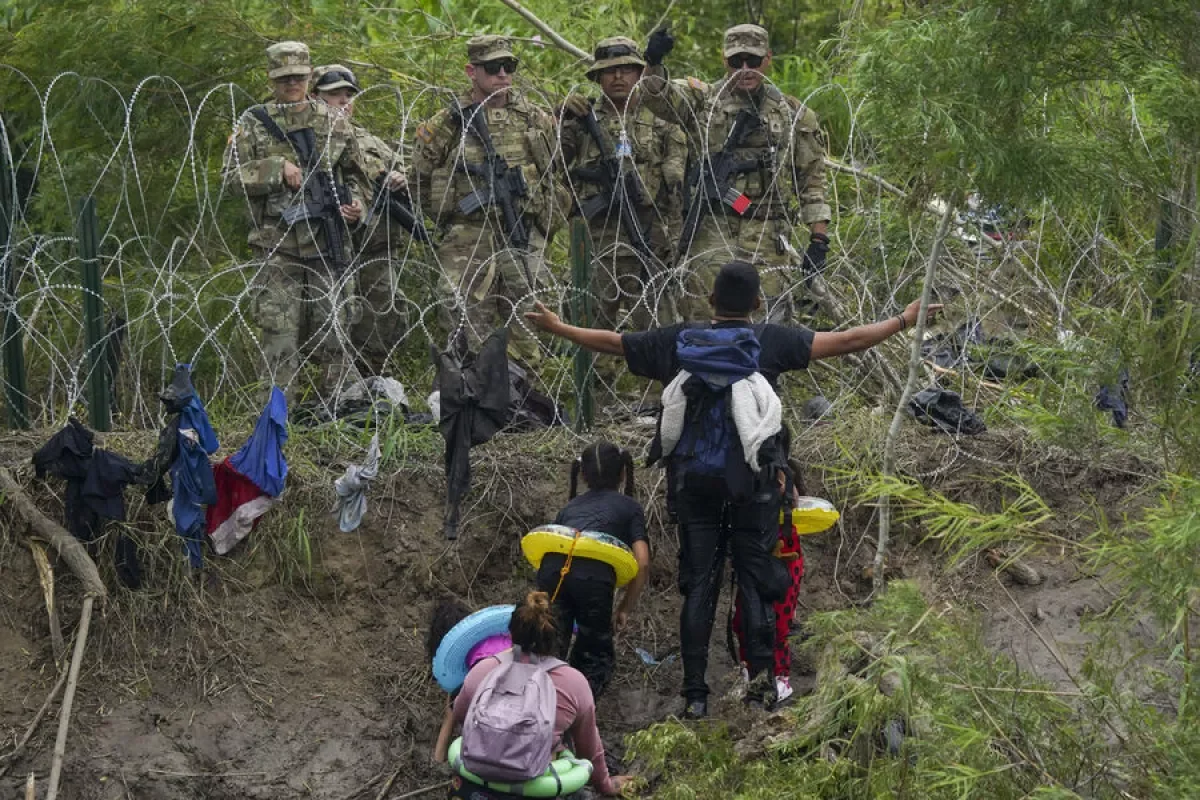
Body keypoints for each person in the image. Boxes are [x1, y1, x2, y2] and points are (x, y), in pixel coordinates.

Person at [525, 260, 941, 718]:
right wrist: (904, 319)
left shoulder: (680, 341)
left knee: (699, 585)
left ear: (710, 302)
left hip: (693, 486)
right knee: (754, 582)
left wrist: (558, 327)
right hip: (755, 487)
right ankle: (761, 687)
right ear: (758, 304)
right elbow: (848, 341)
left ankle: (695, 696)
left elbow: (613, 344)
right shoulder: (771, 341)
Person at [639, 24, 831, 323]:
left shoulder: (793, 114)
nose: (745, 69)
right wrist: (653, 62)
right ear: (723, 60)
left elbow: (812, 182)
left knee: (766, 325)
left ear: (767, 59)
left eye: (752, 61)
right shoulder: (703, 102)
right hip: (713, 228)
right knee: (703, 316)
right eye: (736, 61)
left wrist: (819, 242)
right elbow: (655, 95)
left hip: (767, 232)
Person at [222, 41, 370, 400]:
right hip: (278, 247)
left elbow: (358, 176)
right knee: (280, 338)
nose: (292, 84)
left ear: (308, 75)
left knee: (335, 331)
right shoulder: (253, 124)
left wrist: (357, 206)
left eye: (299, 77)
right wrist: (276, 170)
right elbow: (229, 177)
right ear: (272, 79)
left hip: (327, 242)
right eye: (284, 78)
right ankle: (276, 419)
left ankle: (339, 412)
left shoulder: (333, 122)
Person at [411, 35, 560, 366]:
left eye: (509, 66)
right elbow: (418, 178)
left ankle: (522, 403)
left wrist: (542, 226)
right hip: (468, 237)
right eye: (493, 68)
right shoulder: (449, 122)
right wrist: (448, 218)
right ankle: (469, 402)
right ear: (471, 71)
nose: (503, 75)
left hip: (520, 231)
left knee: (527, 324)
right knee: (464, 325)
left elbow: (554, 174)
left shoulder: (533, 118)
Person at [448, 590, 630, 798]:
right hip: (536, 789)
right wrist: (606, 785)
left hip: (474, 788)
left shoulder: (482, 671)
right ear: (558, 637)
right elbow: (589, 751)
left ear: (510, 633)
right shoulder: (574, 683)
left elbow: (462, 718)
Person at [560, 37, 688, 332]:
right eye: (609, 71)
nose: (618, 77)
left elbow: (677, 187)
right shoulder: (581, 120)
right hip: (598, 241)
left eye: (626, 69)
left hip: (649, 240)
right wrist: (558, 117)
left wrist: (675, 244)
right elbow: (550, 162)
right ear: (598, 76)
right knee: (591, 334)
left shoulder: (663, 121)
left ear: (640, 73)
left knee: (659, 334)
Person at [310, 63, 418, 376]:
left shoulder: (370, 142)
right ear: (315, 97)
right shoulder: (308, 145)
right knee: (333, 324)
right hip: (327, 254)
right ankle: (334, 391)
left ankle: (374, 387)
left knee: (382, 321)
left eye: (348, 95)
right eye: (334, 95)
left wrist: (402, 178)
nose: (344, 102)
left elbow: (413, 177)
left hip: (376, 251)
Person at [537, 441, 651, 698]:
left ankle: (540, 711)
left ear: (583, 475)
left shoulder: (569, 508)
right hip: (594, 578)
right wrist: (624, 607)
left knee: (550, 647)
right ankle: (575, 719)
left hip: (552, 571)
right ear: (623, 473)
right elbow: (642, 562)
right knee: (593, 655)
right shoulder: (629, 507)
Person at [731, 460, 807, 704]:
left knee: (779, 624)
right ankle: (749, 670)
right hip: (758, 554)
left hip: (780, 559)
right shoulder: (747, 473)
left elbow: (795, 500)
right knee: (745, 618)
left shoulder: (782, 472)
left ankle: (781, 677)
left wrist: (785, 481)